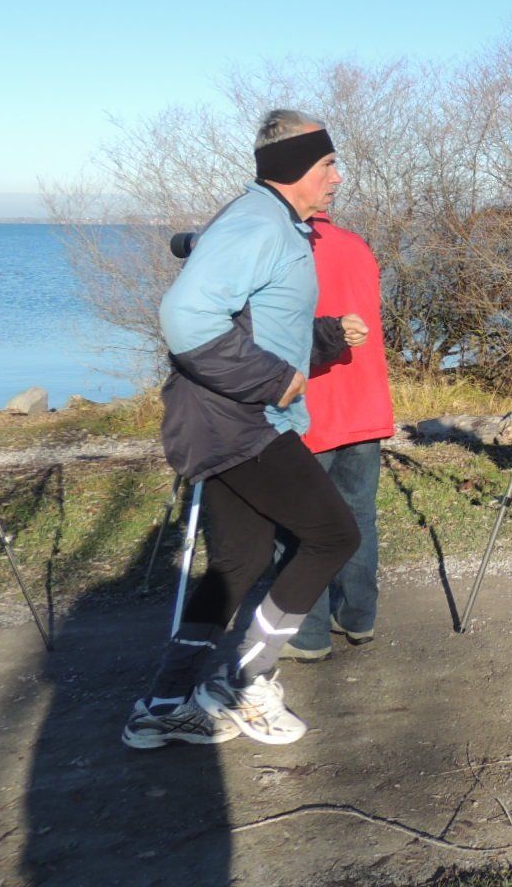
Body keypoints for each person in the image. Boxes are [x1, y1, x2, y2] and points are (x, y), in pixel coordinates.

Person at [122, 110, 365, 750]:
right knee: (333, 535)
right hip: (240, 423)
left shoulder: (277, 223)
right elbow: (186, 317)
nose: (338, 177)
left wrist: (325, 338)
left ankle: (164, 706)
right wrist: (273, 382)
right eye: (328, 165)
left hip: (231, 419)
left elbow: (263, 320)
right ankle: (245, 681)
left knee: (240, 560)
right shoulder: (258, 224)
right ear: (294, 169)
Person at [279, 210, 395, 661]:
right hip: (365, 401)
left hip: (311, 406)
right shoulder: (358, 247)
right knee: (358, 515)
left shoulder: (284, 246)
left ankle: (306, 633)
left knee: (301, 524)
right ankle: (358, 616)